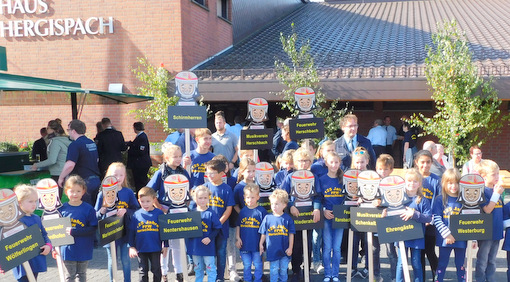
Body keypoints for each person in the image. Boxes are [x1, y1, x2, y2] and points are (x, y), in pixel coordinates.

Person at [95, 162, 139, 282]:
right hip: (109, 229)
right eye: (115, 175)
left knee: (125, 259)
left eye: (121, 175)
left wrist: (126, 210)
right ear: (108, 176)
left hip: (125, 230)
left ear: (125, 176)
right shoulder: (102, 194)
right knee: (112, 259)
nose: (118, 178)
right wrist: (102, 210)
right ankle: (113, 279)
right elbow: (96, 215)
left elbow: (136, 210)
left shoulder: (128, 192)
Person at [57, 175, 98, 282]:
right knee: (70, 276)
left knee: (81, 274)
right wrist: (54, 248)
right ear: (66, 191)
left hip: (84, 248)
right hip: (67, 250)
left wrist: (75, 232)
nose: (75, 194)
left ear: (83, 191)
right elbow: (55, 231)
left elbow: (93, 228)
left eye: (78, 191)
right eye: (72, 191)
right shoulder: (61, 209)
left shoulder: (88, 209)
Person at [201, 159, 235, 281]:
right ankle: (211, 275)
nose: (209, 176)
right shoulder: (204, 187)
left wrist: (218, 223)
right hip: (207, 228)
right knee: (208, 254)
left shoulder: (226, 189)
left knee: (221, 253)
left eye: (212, 173)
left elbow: (228, 209)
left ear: (222, 174)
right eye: (207, 173)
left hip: (221, 227)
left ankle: (220, 277)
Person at [396, 168, 432, 282]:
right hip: (401, 235)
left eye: (415, 181)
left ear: (419, 184)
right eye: (409, 181)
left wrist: (414, 214)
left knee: (416, 263)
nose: (412, 184)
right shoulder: (398, 198)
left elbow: (429, 217)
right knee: (402, 263)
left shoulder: (423, 200)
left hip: (417, 237)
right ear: (404, 182)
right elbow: (391, 212)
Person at [12, 185, 52, 282]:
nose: (34, 204)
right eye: (30, 201)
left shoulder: (36, 218)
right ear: (19, 202)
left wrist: (48, 245)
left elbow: (44, 234)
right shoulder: (15, 221)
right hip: (22, 263)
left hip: (35, 259)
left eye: (35, 201)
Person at [128, 187, 168, 282]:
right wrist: (131, 247)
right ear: (138, 201)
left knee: (156, 270)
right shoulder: (136, 215)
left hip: (155, 248)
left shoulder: (159, 213)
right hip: (141, 248)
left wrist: (165, 245)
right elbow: (131, 232)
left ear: (154, 200)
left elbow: (164, 231)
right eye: (142, 201)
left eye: (148, 201)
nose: (145, 204)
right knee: (142, 271)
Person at [433, 169, 466, 281]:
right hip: (445, 239)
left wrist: (473, 239)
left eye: (457, 182)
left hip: (461, 238)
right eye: (450, 183)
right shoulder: (440, 199)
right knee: (442, 264)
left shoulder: (464, 199)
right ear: (444, 183)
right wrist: (447, 234)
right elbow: (436, 218)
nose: (454, 186)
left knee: (461, 265)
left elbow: (470, 220)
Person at [58, 119, 101, 206]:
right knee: (95, 209)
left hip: (84, 182)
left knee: (85, 209)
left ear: (73, 131)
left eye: (68, 130)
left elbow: (70, 164)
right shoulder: (91, 143)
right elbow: (97, 160)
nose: (68, 133)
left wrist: (61, 178)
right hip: (96, 179)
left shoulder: (75, 144)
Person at [475, 160, 504, 281]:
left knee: (492, 260)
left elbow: (502, 210)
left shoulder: (497, 191)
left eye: (498, 174)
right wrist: (496, 194)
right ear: (483, 176)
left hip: (496, 231)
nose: (497, 177)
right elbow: (487, 209)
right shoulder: (482, 191)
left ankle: (490, 279)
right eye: (494, 174)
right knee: (482, 260)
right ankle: (480, 279)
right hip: (486, 232)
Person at [413, 150, 440, 280]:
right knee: (419, 253)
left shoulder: (436, 180)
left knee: (430, 251)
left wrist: (432, 218)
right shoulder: (413, 178)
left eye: (428, 162)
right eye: (422, 162)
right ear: (416, 162)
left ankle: (437, 276)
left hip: (430, 222)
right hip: (416, 222)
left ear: (432, 163)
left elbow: (439, 201)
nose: (425, 165)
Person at [258, 189, 295, 282]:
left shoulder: (287, 219)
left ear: (284, 205)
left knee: (283, 270)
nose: (274, 206)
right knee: (273, 270)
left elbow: (291, 234)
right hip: (272, 250)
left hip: (285, 250)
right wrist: (261, 244)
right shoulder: (267, 218)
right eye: (272, 204)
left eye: (277, 204)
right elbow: (263, 233)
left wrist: (290, 248)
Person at [187, 185, 222, 282]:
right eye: (200, 198)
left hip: (208, 247)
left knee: (210, 268)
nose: (202, 200)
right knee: (198, 269)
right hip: (195, 246)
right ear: (195, 198)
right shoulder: (191, 213)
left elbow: (217, 228)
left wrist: (210, 238)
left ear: (209, 198)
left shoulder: (211, 213)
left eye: (205, 198)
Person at [319, 152, 344, 282]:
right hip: (327, 216)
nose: (334, 165)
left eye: (336, 162)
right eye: (331, 162)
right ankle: (327, 274)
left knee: (337, 247)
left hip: (340, 216)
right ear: (326, 163)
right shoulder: (322, 179)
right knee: (327, 247)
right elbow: (319, 198)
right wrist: (323, 210)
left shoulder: (343, 179)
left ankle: (335, 274)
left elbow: (348, 196)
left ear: (340, 163)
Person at [236, 183, 268, 282]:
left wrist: (262, 243)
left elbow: (264, 229)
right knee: (247, 265)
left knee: (258, 264)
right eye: (248, 197)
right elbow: (238, 225)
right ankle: (247, 279)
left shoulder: (262, 211)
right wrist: (238, 238)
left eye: (253, 197)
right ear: (244, 197)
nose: (250, 200)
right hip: (244, 244)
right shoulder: (242, 211)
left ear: (258, 197)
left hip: (257, 245)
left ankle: (258, 279)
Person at [375, 154, 397, 281]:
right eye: (380, 169)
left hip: (389, 220)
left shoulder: (395, 183)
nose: (382, 172)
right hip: (374, 221)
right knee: (374, 250)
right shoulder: (372, 182)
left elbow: (397, 201)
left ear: (391, 170)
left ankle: (395, 276)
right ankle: (376, 275)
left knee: (391, 251)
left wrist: (385, 206)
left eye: (385, 169)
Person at [32, 120, 71, 188]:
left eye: (48, 128)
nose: (46, 130)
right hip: (65, 171)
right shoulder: (65, 140)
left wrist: (37, 165)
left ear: (53, 130)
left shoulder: (55, 142)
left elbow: (52, 160)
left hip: (58, 173)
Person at [127, 122, 152, 193]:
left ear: (135, 128)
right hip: (140, 164)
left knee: (140, 182)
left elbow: (141, 151)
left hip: (141, 164)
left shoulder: (142, 137)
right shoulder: (140, 137)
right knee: (139, 182)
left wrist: (131, 150)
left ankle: (142, 194)